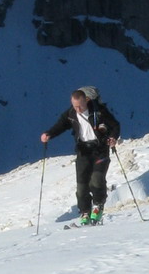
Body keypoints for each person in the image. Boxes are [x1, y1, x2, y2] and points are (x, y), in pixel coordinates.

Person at [41, 86, 121, 225]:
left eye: (80, 106)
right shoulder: (71, 114)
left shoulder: (99, 111)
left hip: (100, 149)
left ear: (86, 101)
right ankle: (85, 211)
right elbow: (60, 125)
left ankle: (98, 205)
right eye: (75, 106)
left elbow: (115, 125)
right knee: (81, 186)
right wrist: (49, 134)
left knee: (97, 179)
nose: (77, 109)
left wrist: (113, 137)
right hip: (83, 151)